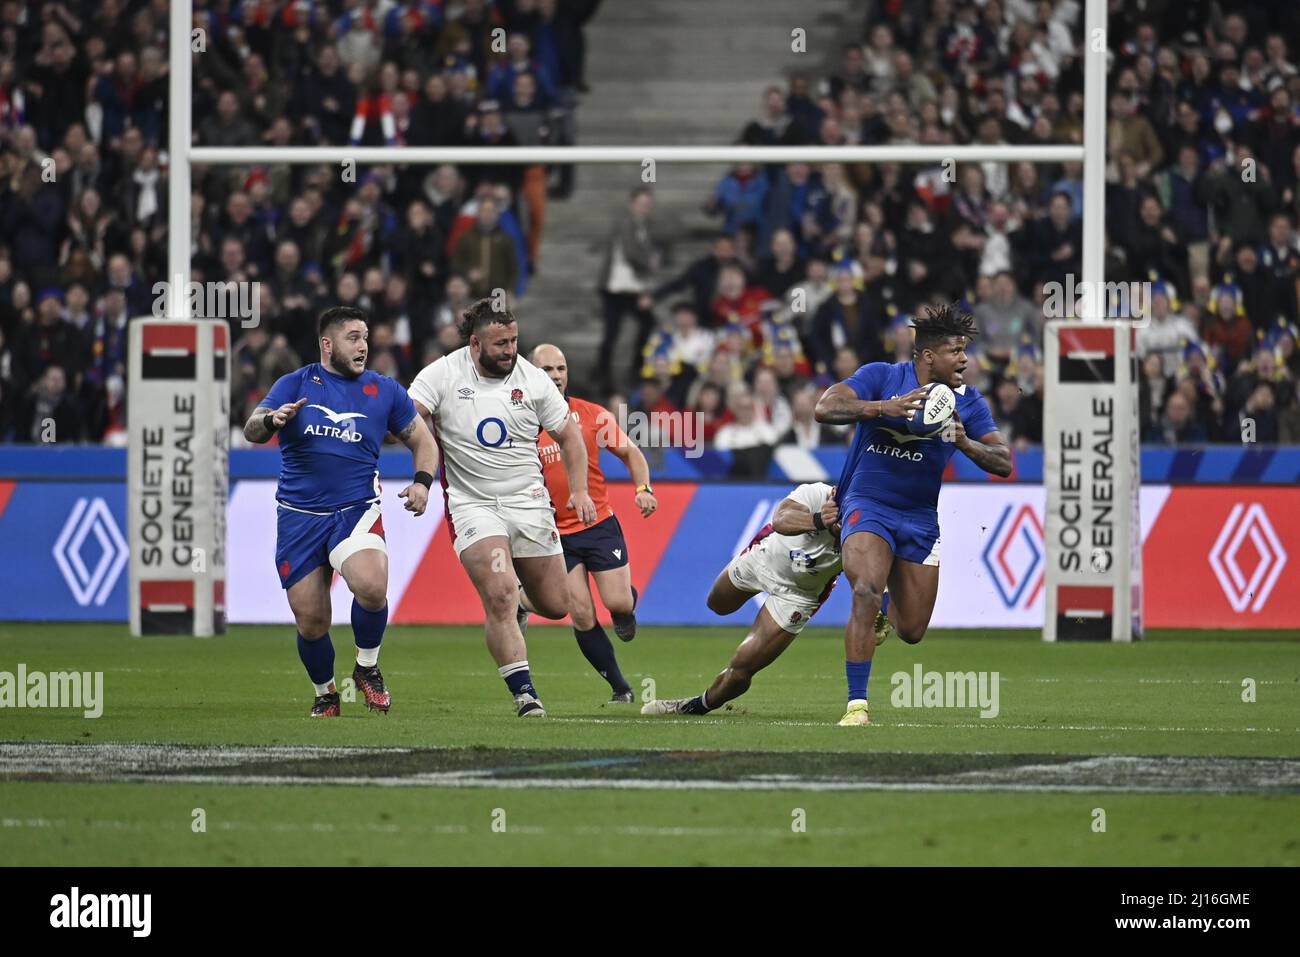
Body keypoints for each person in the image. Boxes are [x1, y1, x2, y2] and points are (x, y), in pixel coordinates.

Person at [815, 303, 1011, 726]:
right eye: (955, 351)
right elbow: (825, 408)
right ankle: (857, 705)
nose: (964, 359)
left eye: (964, 351)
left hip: (919, 517)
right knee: (864, 588)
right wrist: (882, 408)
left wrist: (965, 442)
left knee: (912, 631)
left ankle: (887, 604)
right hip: (867, 502)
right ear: (927, 356)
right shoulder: (883, 376)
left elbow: (1003, 461)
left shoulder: (969, 402)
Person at [243, 306, 438, 718]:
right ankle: (326, 693)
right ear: (327, 344)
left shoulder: (384, 390)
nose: (363, 345)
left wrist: (422, 481)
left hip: (356, 509)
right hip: (299, 516)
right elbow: (252, 428)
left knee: (371, 586)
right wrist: (272, 420)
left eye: (365, 336)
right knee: (311, 621)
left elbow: (424, 441)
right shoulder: (295, 383)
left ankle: (366, 669)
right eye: (353, 337)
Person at [408, 299, 596, 717]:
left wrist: (579, 492)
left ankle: (521, 606)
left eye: (514, 341)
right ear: (475, 344)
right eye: (500, 344)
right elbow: (405, 417)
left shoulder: (533, 381)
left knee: (556, 605)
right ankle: (525, 694)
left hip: (528, 502)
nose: (510, 350)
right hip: (472, 503)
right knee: (499, 593)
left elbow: (570, 438)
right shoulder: (442, 374)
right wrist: (421, 471)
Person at [641, 483, 848, 717]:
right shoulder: (817, 494)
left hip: (798, 596)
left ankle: (697, 705)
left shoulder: (862, 536)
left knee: (741, 670)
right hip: (763, 559)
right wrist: (819, 520)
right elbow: (781, 518)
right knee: (717, 604)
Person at [530, 344, 658, 703]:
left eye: (561, 368)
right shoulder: (521, 422)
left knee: (617, 604)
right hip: (555, 534)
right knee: (581, 614)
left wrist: (643, 489)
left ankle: (625, 607)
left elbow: (631, 452)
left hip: (598, 524)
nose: (556, 376)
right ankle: (621, 687)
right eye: (547, 370)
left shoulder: (591, 415)